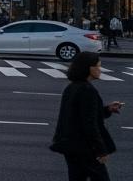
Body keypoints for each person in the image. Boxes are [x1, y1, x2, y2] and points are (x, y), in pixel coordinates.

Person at [52, 51, 121, 180]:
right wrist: (100, 150)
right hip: (85, 148)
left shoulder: (72, 87)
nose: (100, 70)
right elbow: (89, 124)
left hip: (71, 146)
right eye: (98, 66)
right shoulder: (87, 90)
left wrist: (107, 109)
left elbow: (81, 115)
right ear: (89, 68)